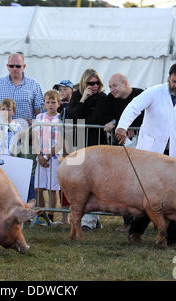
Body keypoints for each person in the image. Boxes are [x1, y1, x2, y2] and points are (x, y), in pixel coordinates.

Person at [116, 63, 176, 246]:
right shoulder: (154, 92)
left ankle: (144, 233)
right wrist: (122, 126)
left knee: (169, 197)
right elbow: (134, 107)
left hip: (173, 157)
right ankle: (165, 235)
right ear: (169, 78)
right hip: (151, 154)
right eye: (174, 81)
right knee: (152, 195)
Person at [67, 68, 113, 230]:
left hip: (96, 144)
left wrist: (83, 116)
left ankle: (89, 220)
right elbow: (71, 118)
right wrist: (83, 100)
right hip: (79, 142)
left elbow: (95, 119)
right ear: (83, 83)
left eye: (97, 83)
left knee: (93, 183)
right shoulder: (77, 96)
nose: (94, 86)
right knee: (80, 182)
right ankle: (91, 218)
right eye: (90, 83)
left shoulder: (102, 97)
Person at [105, 73, 144, 231]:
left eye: (114, 86)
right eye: (109, 86)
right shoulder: (110, 99)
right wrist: (115, 123)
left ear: (125, 83)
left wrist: (133, 127)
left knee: (140, 183)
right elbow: (105, 116)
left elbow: (147, 114)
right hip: (120, 147)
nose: (112, 90)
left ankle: (144, 220)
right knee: (122, 184)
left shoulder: (140, 94)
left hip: (141, 147)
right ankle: (128, 222)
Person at [0, 52, 44, 128]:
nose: (15, 69)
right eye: (11, 66)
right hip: (2, 133)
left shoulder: (34, 85)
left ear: (24, 66)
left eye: (18, 66)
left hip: (25, 134)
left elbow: (38, 114)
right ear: (7, 66)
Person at [32, 90, 63, 226]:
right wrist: (40, 156)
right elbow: (35, 137)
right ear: (44, 103)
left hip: (54, 157)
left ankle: (50, 215)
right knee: (38, 187)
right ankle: (41, 213)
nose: (50, 105)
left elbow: (60, 140)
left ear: (58, 103)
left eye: (53, 102)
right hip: (40, 157)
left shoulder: (61, 118)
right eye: (48, 102)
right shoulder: (39, 117)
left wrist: (48, 156)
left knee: (52, 188)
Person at [53, 79, 74, 224]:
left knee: (77, 183)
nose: (62, 92)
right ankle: (66, 218)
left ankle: (84, 217)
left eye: (65, 89)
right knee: (63, 183)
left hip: (75, 146)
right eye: (60, 90)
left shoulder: (76, 105)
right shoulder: (58, 107)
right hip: (61, 147)